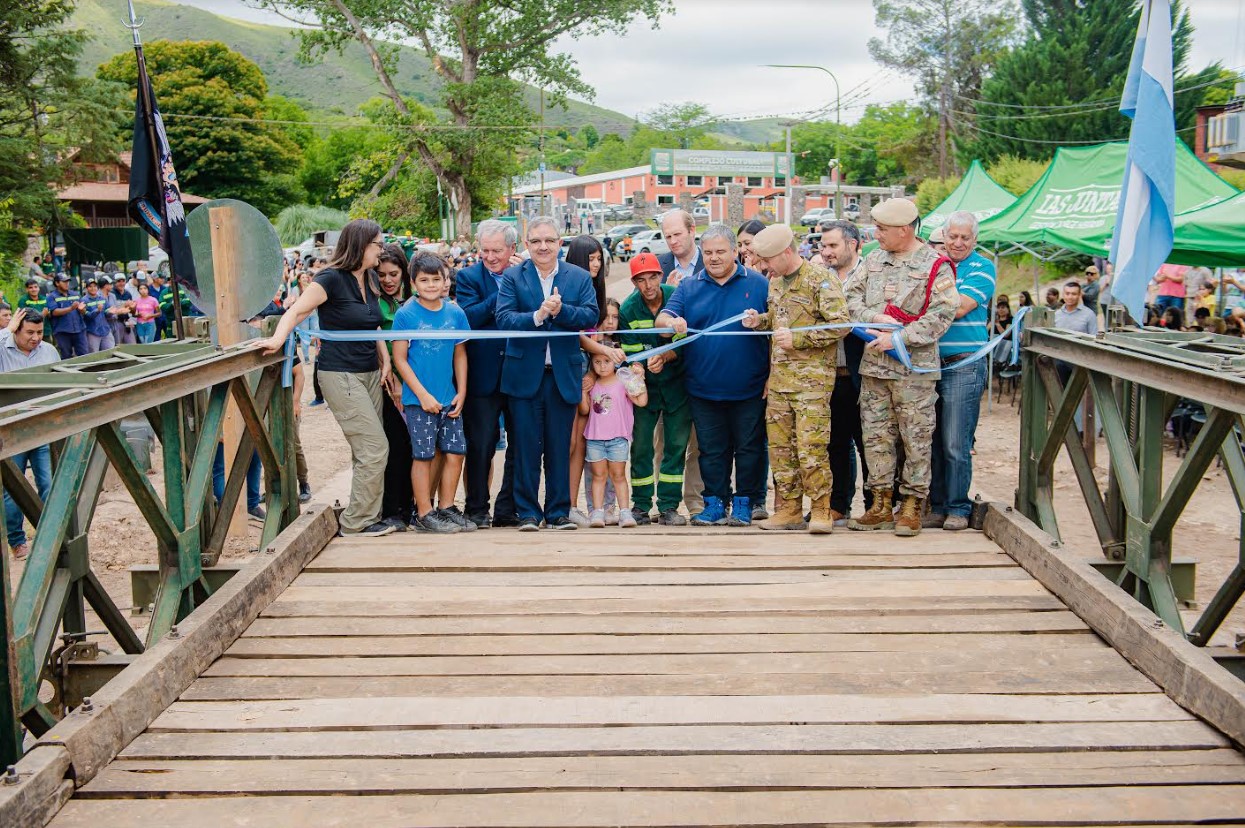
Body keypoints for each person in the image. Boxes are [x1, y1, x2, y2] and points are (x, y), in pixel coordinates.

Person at [256, 219, 395, 538]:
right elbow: (296, 311)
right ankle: (356, 521)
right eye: (378, 244)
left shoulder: (371, 278)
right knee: (375, 447)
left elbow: (372, 326)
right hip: (340, 373)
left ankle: (368, 515)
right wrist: (278, 339)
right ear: (361, 245)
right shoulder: (330, 278)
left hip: (370, 371)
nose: (381, 250)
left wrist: (385, 359)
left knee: (366, 450)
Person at [845, 197, 958, 537]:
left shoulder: (935, 264)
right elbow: (849, 300)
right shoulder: (872, 260)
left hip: (914, 369)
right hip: (875, 368)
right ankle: (880, 503)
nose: (875, 234)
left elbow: (943, 314)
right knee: (876, 437)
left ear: (904, 230)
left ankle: (911, 505)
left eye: (881, 229)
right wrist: (874, 319)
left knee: (916, 437)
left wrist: (899, 338)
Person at [656, 224, 769, 527]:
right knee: (711, 451)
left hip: (751, 387)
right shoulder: (689, 287)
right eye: (708, 253)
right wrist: (672, 321)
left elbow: (776, 330)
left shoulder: (759, 284)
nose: (714, 258)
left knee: (749, 448)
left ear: (735, 252)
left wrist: (773, 376)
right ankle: (714, 502)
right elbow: (662, 317)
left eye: (721, 251)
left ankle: (745, 503)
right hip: (703, 388)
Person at [495, 216, 599, 531]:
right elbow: (504, 318)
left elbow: (592, 313)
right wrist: (538, 316)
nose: (543, 246)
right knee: (526, 446)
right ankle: (527, 512)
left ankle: (558, 513)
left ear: (559, 243)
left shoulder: (579, 277)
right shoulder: (513, 276)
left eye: (549, 240)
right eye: (537, 241)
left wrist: (561, 311)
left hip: (562, 375)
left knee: (559, 447)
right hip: (524, 373)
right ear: (527, 244)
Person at [743, 223, 848, 534]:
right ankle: (789, 507)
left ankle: (820, 509)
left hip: (811, 384)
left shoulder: (821, 280)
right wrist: (759, 320)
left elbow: (842, 324)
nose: (764, 267)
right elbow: (779, 320)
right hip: (780, 382)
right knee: (781, 448)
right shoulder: (776, 283)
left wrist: (800, 340)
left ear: (787, 252)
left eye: (769, 260)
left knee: (811, 447)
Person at [924, 211, 995, 532]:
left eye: (965, 237)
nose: (958, 243)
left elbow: (960, 306)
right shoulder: (933, 266)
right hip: (928, 363)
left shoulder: (982, 267)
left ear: (974, 240)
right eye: (953, 236)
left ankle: (957, 506)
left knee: (956, 440)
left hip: (964, 363)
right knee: (934, 439)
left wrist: (928, 304)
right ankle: (937, 505)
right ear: (944, 235)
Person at [392, 255, 473, 533]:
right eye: (424, 280)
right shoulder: (405, 314)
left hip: (449, 397)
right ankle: (424, 512)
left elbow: (460, 354)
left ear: (445, 281)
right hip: (419, 402)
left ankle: (446, 506)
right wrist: (422, 395)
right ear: (413, 283)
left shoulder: (455, 313)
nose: (430, 285)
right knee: (424, 455)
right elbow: (400, 359)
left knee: (455, 452)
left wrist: (461, 391)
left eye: (436, 279)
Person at [616, 252, 691, 526]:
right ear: (634, 282)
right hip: (644, 388)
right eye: (641, 280)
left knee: (675, 446)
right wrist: (641, 366)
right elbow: (631, 353)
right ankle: (641, 504)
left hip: (677, 385)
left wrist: (666, 356)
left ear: (661, 275)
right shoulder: (627, 309)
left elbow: (688, 342)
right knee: (642, 447)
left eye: (653, 277)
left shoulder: (677, 297)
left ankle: (670, 505)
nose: (648, 285)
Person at [457, 220, 522, 529]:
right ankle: (477, 508)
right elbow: (469, 317)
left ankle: (508, 508)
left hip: (520, 371)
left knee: (520, 444)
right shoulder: (468, 277)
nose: (491, 257)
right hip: (482, 375)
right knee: (481, 444)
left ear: (512, 248)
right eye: (485, 250)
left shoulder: (528, 275)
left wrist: (518, 280)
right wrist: (508, 286)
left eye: (498, 250)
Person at [563, 235, 622, 526]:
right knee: (570, 441)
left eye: (599, 258)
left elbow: (595, 336)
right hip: (568, 365)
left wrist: (592, 369)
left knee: (583, 441)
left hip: (587, 368)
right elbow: (578, 336)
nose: (596, 264)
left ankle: (580, 505)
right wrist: (604, 351)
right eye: (590, 259)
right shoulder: (567, 285)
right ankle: (566, 503)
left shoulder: (596, 290)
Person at [819, 220, 871, 525]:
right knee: (834, 443)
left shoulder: (871, 275)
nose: (826, 252)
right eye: (823, 246)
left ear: (852, 244)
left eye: (832, 245)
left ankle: (875, 504)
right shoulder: (818, 278)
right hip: (829, 374)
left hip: (864, 373)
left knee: (870, 442)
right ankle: (838, 504)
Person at [1, 310, 59, 560]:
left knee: (48, 482)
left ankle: (49, 537)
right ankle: (17, 541)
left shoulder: (48, 351)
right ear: (16, 329)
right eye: (29, 333)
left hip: (43, 426)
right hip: (12, 429)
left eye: (39, 332)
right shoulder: (4, 349)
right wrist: (5, 331)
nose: (35, 338)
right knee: (14, 488)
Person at [580, 351, 648, 528]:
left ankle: (625, 512)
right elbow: (585, 410)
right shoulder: (592, 384)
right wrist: (582, 392)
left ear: (615, 362)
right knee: (598, 476)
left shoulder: (622, 383)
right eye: (597, 362)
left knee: (618, 476)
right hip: (595, 439)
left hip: (618, 438)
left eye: (606, 361)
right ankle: (597, 512)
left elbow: (641, 401)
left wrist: (639, 378)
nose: (602, 366)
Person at [375, 243, 416, 530]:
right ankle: (392, 509)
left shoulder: (415, 300)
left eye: (393, 273)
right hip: (388, 383)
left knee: (417, 448)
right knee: (394, 447)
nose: (388, 280)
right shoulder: (373, 303)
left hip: (418, 381)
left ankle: (411, 506)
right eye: (381, 275)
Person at [48, 273, 89, 358]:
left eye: (68, 281)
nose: (67, 284)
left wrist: (82, 310)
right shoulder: (51, 297)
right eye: (64, 282)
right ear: (57, 283)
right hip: (63, 332)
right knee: (66, 356)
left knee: (84, 355)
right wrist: (71, 308)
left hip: (79, 329)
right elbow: (54, 312)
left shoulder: (75, 294)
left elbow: (83, 310)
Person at [657, 209, 701, 286]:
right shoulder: (656, 265)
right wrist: (667, 292)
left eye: (677, 234)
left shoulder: (713, 263)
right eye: (668, 237)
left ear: (691, 230)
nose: (673, 241)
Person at [81, 278, 116, 353]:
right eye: (90, 286)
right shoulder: (84, 300)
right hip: (93, 332)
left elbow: (107, 311)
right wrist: (97, 310)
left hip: (105, 330)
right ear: (87, 288)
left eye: (95, 286)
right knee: (94, 355)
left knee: (111, 352)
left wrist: (110, 312)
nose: (93, 288)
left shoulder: (102, 298)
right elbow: (87, 316)